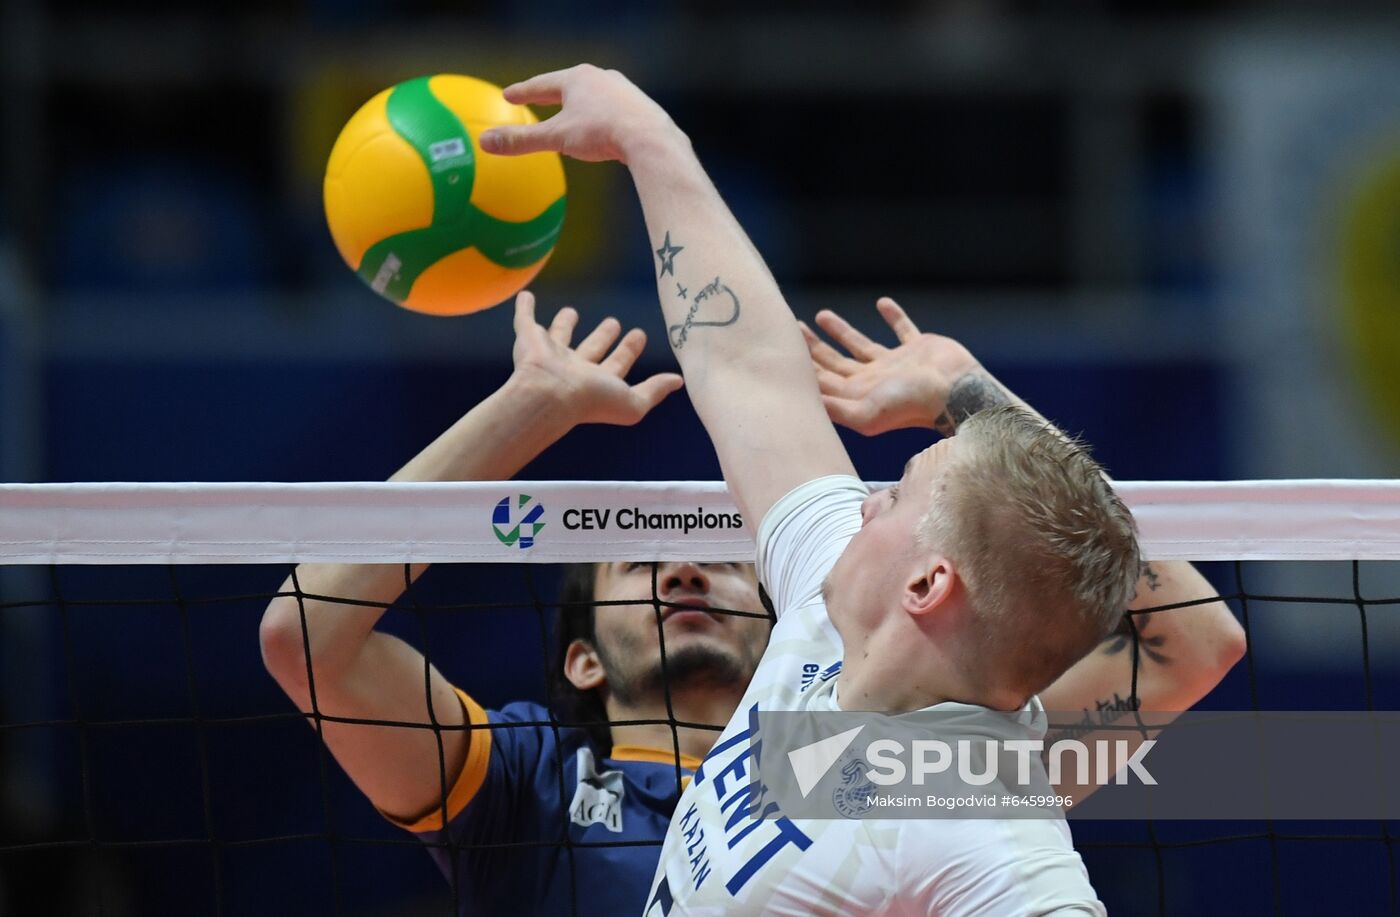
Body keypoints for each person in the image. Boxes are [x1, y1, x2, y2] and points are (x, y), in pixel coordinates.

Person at [479, 65, 1245, 915]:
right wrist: (648, 139)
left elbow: (1197, 643)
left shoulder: (976, 815)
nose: (866, 498)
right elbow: (747, 368)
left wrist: (972, 404)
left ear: (926, 583)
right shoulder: (827, 611)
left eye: (899, 490)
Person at [258, 293, 773, 917]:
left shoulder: (843, 764)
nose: (686, 571)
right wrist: (533, 405)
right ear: (584, 661)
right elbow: (307, 637)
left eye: (722, 562)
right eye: (640, 565)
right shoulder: (530, 779)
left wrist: (934, 408)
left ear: (782, 635)